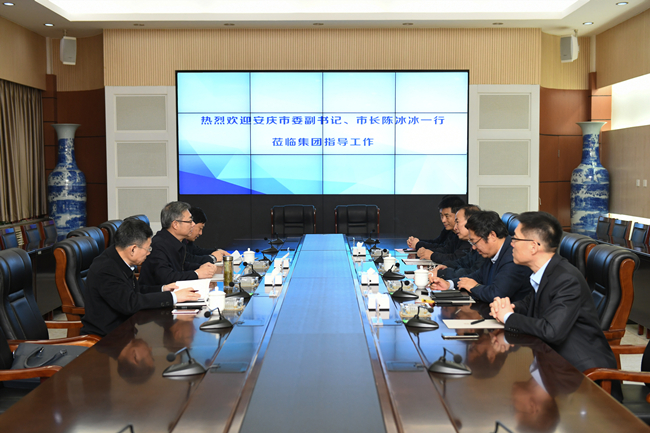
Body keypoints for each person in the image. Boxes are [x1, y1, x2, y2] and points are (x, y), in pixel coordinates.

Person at [489, 211, 617, 373]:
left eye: (515, 239)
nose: (511, 244)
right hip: (551, 360)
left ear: (533, 246)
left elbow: (551, 331)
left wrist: (508, 317)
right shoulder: (547, 272)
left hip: (581, 372)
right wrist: (506, 307)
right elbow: (529, 305)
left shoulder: (566, 279)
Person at [81, 218, 201, 337]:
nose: (149, 253)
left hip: (127, 328)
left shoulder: (119, 258)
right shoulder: (106, 269)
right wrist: (173, 297)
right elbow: (130, 303)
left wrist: (163, 289)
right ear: (133, 249)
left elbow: (134, 291)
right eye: (148, 248)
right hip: (108, 338)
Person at [429, 210, 533, 303]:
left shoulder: (513, 257)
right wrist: (449, 284)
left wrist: (474, 287)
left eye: (475, 242)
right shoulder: (493, 252)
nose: (473, 247)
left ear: (492, 235)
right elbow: (478, 276)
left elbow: (497, 294)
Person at [138, 201, 217, 286]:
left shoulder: (175, 241)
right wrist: (197, 274)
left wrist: (201, 267)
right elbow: (167, 278)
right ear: (175, 224)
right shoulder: (158, 245)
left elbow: (182, 266)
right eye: (190, 221)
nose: (193, 224)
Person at [430, 204, 486, 280]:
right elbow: (462, 262)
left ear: (471, 222)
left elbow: (473, 273)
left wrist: (442, 273)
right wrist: (446, 266)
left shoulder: (484, 247)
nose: (455, 227)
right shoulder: (472, 245)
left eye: (457, 222)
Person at [406, 196, 469, 262]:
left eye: (447, 216)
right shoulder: (449, 230)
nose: (443, 220)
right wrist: (418, 243)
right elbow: (441, 245)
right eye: (441, 216)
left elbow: (453, 256)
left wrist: (429, 253)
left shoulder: (466, 237)